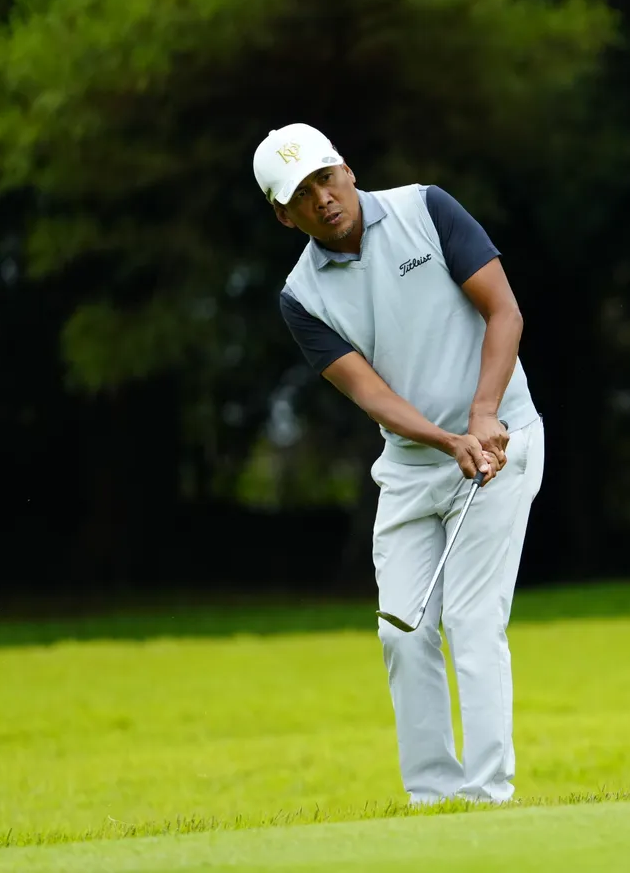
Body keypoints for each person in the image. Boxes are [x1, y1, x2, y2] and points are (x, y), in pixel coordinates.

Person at [254, 122, 544, 805]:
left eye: (325, 178)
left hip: (500, 442)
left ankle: (487, 795)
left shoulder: (427, 208)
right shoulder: (301, 296)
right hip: (413, 465)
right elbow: (372, 395)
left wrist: (482, 414)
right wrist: (446, 441)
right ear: (284, 216)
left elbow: (504, 312)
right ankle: (432, 799)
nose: (322, 198)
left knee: (471, 621)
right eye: (301, 194)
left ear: (347, 169)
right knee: (401, 633)